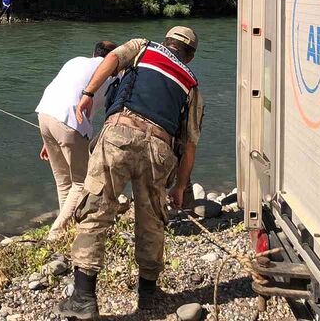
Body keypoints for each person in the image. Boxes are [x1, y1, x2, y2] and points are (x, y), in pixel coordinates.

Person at [56, 26, 204, 318]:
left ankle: (84, 297)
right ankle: (148, 295)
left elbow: (112, 58)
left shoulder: (143, 47)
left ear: (167, 41)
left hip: (120, 133)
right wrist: (179, 187)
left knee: (96, 209)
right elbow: (189, 145)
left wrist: (88, 93)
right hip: (160, 149)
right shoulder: (191, 84)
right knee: (152, 220)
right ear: (190, 56)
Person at [35, 40, 118, 240]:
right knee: (81, 183)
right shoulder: (110, 75)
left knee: (63, 182)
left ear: (93, 52)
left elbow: (63, 89)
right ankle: (55, 233)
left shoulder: (75, 61)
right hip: (71, 122)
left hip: (45, 115)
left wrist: (48, 140)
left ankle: (66, 226)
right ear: (113, 59)